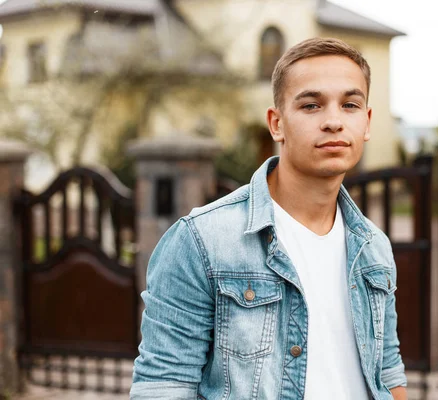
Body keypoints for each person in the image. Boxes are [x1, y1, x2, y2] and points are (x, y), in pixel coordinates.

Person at [130, 37, 408, 400]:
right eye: (311, 105)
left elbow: (387, 372)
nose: (334, 121)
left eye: (350, 104)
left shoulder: (374, 247)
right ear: (276, 124)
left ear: (367, 122)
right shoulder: (202, 241)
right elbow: (163, 386)